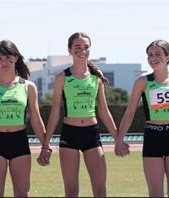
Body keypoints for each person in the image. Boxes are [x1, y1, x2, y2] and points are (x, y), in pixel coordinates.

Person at [42, 32, 129, 197]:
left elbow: (104, 111)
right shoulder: (62, 77)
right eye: (78, 47)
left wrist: (118, 138)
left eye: (86, 47)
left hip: (91, 134)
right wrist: (46, 145)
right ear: (70, 50)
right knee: (72, 191)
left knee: (100, 189)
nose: (82, 50)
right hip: (70, 134)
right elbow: (55, 112)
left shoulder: (96, 78)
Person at [115, 39, 169, 197]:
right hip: (153, 137)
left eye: (158, 54)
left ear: (168, 57)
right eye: (150, 55)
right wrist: (119, 139)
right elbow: (130, 111)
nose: (153, 58)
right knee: (155, 193)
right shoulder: (142, 82)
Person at [0, 40, 50, 197]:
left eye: (7, 57)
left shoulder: (28, 86)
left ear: (16, 58)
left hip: (19, 142)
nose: (4, 62)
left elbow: (36, 119)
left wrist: (45, 146)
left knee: (22, 193)